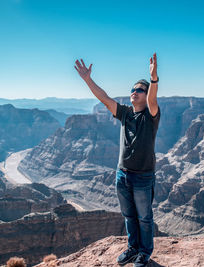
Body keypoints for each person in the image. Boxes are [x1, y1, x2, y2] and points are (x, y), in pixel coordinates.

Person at [74, 53, 160, 267]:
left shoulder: (151, 116)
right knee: (129, 216)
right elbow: (103, 98)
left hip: (143, 177)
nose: (134, 92)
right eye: (132, 89)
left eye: (139, 89)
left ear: (146, 94)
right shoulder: (124, 113)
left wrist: (153, 79)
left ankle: (144, 252)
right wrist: (87, 80)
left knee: (145, 218)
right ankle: (132, 248)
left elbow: (152, 99)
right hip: (122, 174)